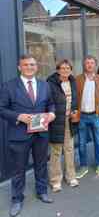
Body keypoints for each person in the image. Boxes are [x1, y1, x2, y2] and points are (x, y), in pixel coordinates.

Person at [0, 55, 56, 217]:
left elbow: (51, 103)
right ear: (19, 67)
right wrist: (18, 116)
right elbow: (2, 108)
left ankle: (42, 191)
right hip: (19, 134)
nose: (30, 67)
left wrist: (51, 113)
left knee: (41, 164)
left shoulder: (44, 85)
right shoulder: (9, 86)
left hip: (41, 133)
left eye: (32, 64)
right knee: (18, 169)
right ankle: (17, 199)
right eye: (26, 65)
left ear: (36, 67)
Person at [47, 59, 79, 193]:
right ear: (58, 69)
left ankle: (71, 176)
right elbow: (48, 101)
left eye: (68, 68)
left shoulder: (72, 81)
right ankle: (55, 180)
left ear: (71, 70)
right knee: (56, 151)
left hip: (69, 120)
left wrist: (75, 110)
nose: (65, 70)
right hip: (55, 121)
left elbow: (75, 100)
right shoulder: (50, 83)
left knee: (69, 149)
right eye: (63, 68)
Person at [76, 55, 99, 179]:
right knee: (81, 143)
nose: (89, 65)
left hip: (96, 116)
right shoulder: (78, 79)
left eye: (92, 63)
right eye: (87, 63)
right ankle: (83, 166)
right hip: (82, 116)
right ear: (84, 65)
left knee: (98, 142)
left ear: (95, 65)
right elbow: (74, 98)